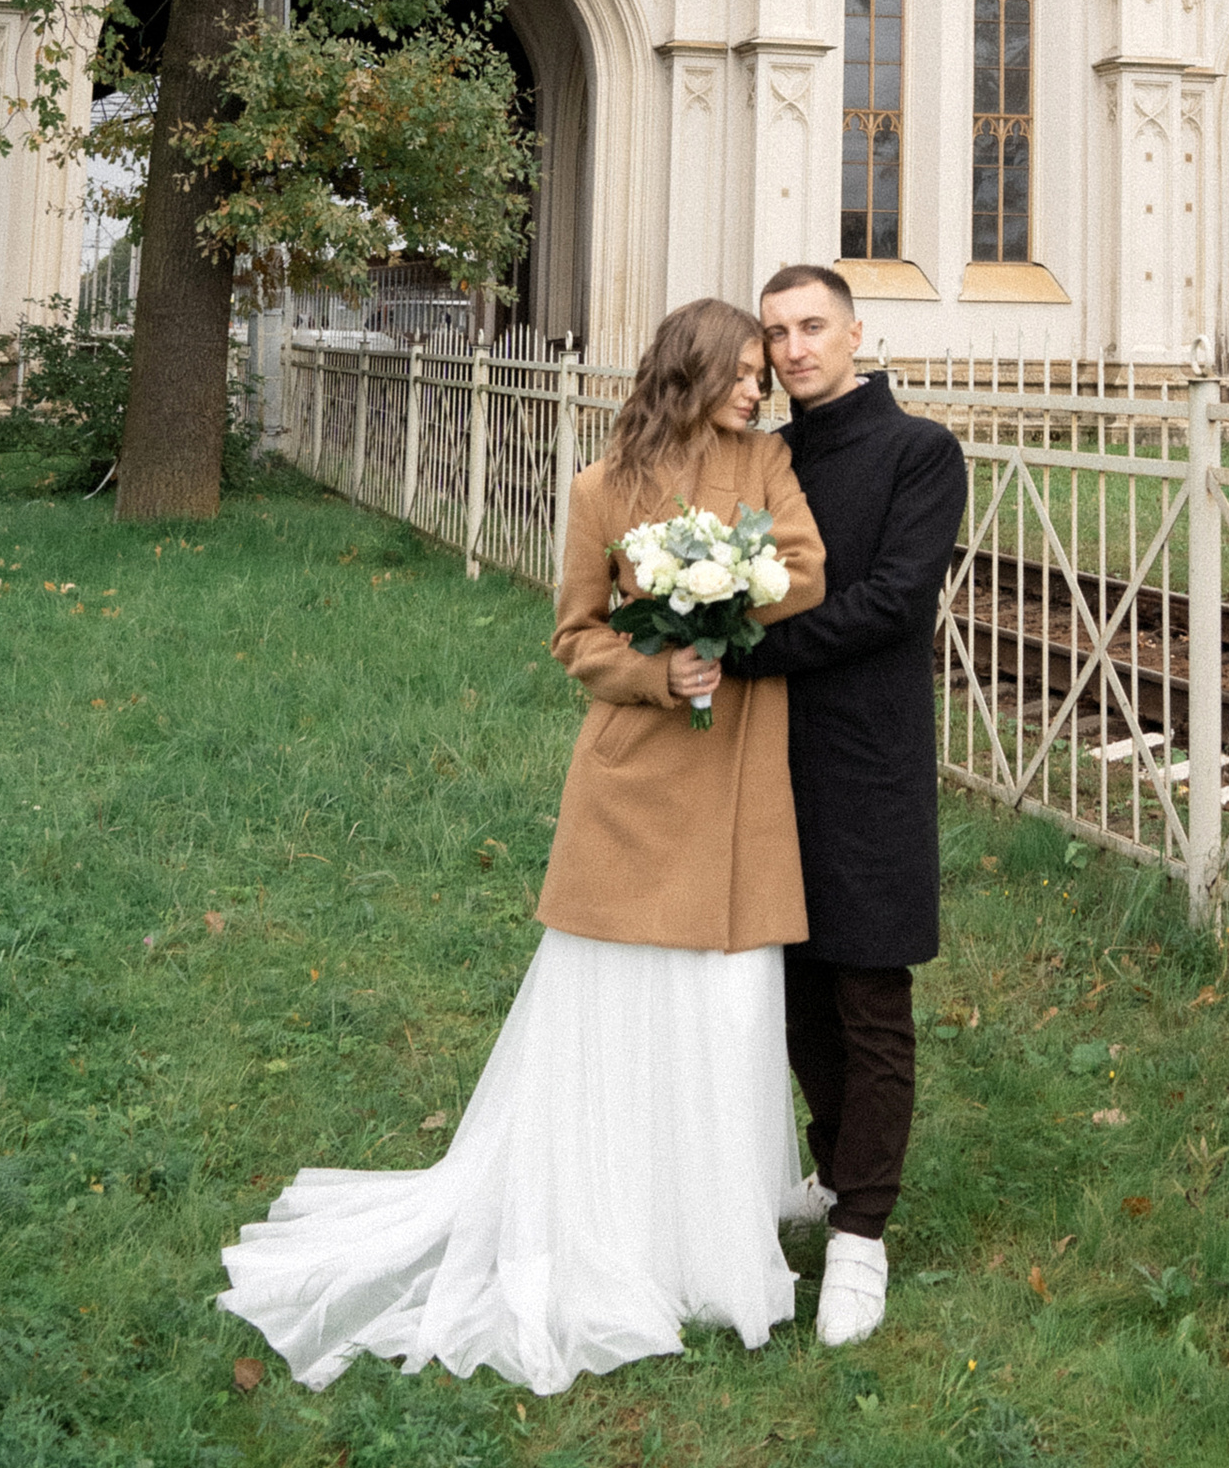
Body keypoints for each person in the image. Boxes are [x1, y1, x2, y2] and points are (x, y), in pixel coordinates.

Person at [217, 298, 824, 1395]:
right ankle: (611, 1221)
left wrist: (724, 600)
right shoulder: (601, 490)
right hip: (635, 784)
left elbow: (806, 569)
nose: (759, 385)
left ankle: (713, 1233)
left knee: (727, 1003)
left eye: (762, 373)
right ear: (688, 370)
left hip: (736, 782)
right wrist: (660, 667)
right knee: (625, 1001)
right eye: (739, 371)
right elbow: (576, 635)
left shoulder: (768, 461)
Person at [734, 263, 969, 1351]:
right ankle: (835, 1176)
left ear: (855, 330)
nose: (793, 348)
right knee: (791, 987)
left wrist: (749, 648)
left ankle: (863, 1237)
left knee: (869, 989)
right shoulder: (763, 458)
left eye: (811, 325)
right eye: (776, 331)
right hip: (762, 759)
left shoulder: (918, 453)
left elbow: (889, 605)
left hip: (866, 757)